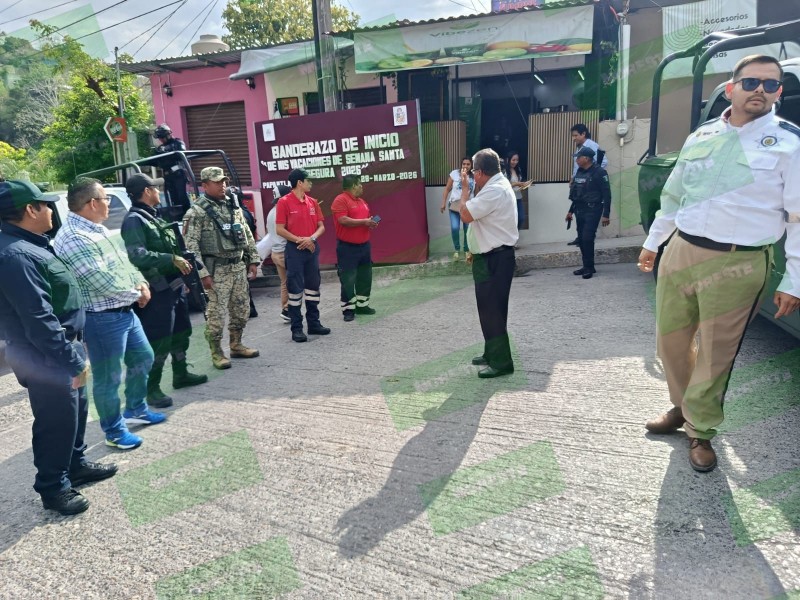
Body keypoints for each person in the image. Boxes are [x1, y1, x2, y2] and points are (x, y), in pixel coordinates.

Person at [638, 54, 800, 473]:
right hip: (682, 250)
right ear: (731, 89)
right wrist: (654, 243)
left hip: (739, 261)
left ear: (778, 92)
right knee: (671, 342)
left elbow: (798, 217)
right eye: (751, 82)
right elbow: (675, 195)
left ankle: (701, 430)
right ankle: (682, 406)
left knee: (715, 353)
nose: (760, 90)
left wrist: (794, 279)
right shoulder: (702, 135)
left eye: (770, 84)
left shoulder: (789, 143)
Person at [0, 179, 117, 515]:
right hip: (46, 355)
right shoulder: (15, 255)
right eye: (45, 204)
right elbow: (38, 319)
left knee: (74, 413)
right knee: (56, 421)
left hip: (62, 349)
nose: (52, 210)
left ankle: (75, 465)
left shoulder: (32, 244)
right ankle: (54, 488)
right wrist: (71, 360)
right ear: (30, 209)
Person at [54, 177, 165, 451]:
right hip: (101, 318)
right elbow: (101, 281)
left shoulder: (99, 229)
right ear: (93, 203)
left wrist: (141, 282)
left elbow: (124, 262)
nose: (108, 203)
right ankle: (114, 431)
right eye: (106, 199)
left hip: (124, 312)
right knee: (108, 378)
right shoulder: (73, 238)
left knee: (143, 357)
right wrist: (137, 294)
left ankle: (136, 408)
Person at [121, 173, 208, 409]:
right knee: (160, 340)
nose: (158, 191)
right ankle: (152, 389)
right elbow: (137, 255)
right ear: (146, 191)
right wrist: (170, 259)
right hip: (157, 291)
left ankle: (180, 374)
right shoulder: (134, 221)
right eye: (155, 188)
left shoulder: (154, 217)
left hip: (174, 288)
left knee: (181, 331)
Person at [183, 167, 260, 369]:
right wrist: (202, 274)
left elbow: (246, 234)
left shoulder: (233, 206)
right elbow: (191, 246)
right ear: (205, 185)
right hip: (216, 271)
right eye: (217, 182)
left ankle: (236, 344)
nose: (222, 185)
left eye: (223, 181)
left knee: (241, 310)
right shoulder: (196, 212)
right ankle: (216, 352)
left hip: (237, 267)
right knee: (216, 316)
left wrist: (253, 260)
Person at [458, 149, 519, 379]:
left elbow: (465, 214)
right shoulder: (496, 185)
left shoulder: (495, 190)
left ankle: (502, 362)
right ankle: (492, 352)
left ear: (480, 172)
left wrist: (464, 190)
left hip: (494, 258)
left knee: (492, 311)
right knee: (490, 309)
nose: (472, 175)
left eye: (473, 171)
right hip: (491, 257)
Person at [275, 169, 330, 342]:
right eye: (308, 180)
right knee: (295, 290)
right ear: (300, 182)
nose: (311, 183)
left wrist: (311, 239)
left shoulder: (312, 202)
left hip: (312, 248)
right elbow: (279, 229)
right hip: (294, 250)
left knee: (313, 287)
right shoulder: (284, 202)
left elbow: (321, 227)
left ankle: (314, 324)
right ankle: (297, 329)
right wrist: (300, 240)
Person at [332, 175, 379, 322]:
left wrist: (371, 222)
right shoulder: (340, 200)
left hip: (364, 246)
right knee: (348, 279)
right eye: (360, 184)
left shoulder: (362, 202)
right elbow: (343, 220)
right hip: (347, 248)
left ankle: (362, 306)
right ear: (353, 186)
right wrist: (364, 221)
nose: (362, 187)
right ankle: (348, 310)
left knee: (365, 277)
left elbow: (366, 219)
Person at [566, 147, 611, 280]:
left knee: (587, 238)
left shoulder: (600, 172)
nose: (576, 160)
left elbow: (607, 194)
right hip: (579, 210)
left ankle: (589, 267)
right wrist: (570, 211)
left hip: (593, 210)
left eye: (578, 158)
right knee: (581, 239)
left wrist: (606, 214)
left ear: (586, 158)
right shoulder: (579, 172)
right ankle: (587, 266)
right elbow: (577, 194)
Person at [569, 124, 608, 245]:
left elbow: (603, 161)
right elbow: (577, 167)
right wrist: (573, 178)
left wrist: (592, 173)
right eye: (573, 136)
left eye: (576, 135)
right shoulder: (579, 147)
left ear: (583, 134)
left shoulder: (591, 145)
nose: (574, 138)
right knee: (578, 208)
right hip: (579, 182)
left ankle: (586, 238)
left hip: (589, 184)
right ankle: (580, 237)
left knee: (588, 215)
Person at [258, 185, 291, 324]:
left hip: (276, 252)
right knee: (294, 283)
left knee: (285, 283)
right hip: (284, 252)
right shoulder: (282, 212)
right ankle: (288, 309)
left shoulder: (272, 212)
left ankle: (286, 310)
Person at [440, 157, 474, 261]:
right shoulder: (454, 174)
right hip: (454, 206)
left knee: (467, 229)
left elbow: (476, 192)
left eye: (468, 164)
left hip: (468, 207)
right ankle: (457, 250)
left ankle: (466, 249)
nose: (465, 166)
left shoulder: (474, 175)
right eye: (464, 164)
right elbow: (447, 189)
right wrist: (443, 203)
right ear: (461, 164)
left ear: (471, 165)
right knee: (455, 228)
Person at [153, 123, 190, 216]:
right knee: (173, 198)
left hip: (178, 174)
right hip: (168, 176)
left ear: (168, 135)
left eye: (162, 137)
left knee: (182, 196)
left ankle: (188, 214)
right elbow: (157, 162)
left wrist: (168, 151)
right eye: (159, 138)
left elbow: (182, 154)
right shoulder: (160, 148)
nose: (161, 140)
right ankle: (178, 215)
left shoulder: (178, 143)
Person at [503, 151, 529, 230]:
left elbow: (519, 182)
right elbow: (504, 186)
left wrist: (524, 185)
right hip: (509, 199)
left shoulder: (518, 170)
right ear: (508, 160)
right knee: (510, 219)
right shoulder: (505, 171)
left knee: (521, 218)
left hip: (518, 197)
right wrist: (516, 184)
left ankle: (515, 234)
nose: (515, 162)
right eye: (513, 160)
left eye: (517, 160)